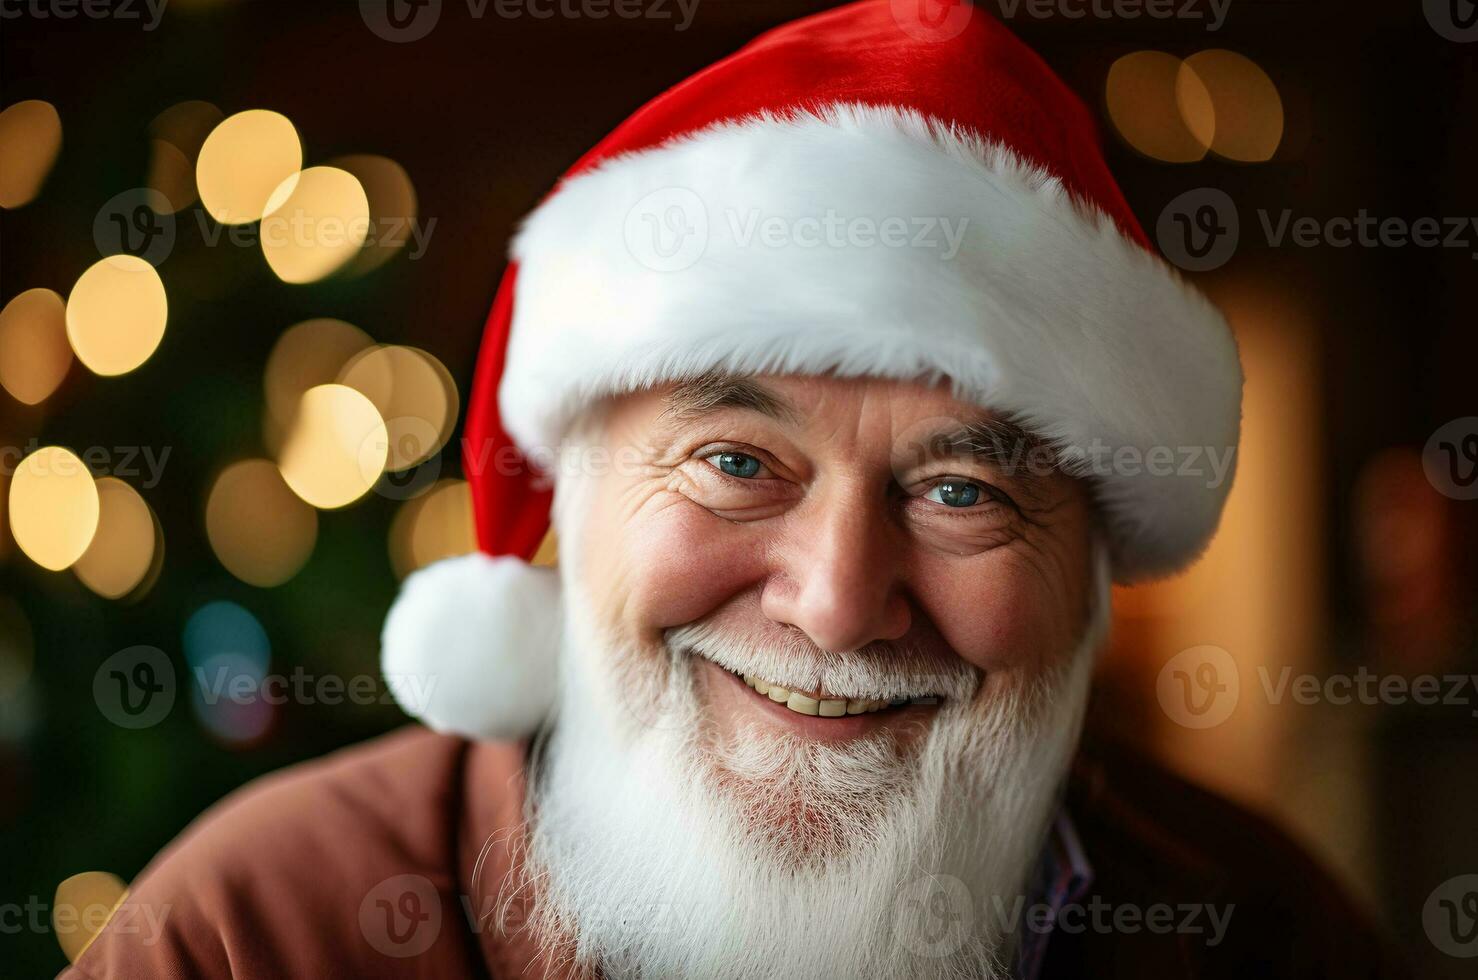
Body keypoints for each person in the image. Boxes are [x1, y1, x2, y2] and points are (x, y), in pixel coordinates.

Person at [63, 2, 1395, 977]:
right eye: (736, 464)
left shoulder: (1263, 933)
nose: (833, 606)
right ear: (575, 500)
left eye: (960, 493)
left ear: (1090, 565)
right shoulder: (253, 934)